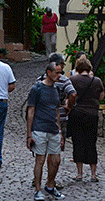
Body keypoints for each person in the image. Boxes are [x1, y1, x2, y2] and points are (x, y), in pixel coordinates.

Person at [27, 62, 66, 201]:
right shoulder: (37, 88)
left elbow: (57, 111)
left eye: (60, 72)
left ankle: (50, 185)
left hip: (53, 130)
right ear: (49, 72)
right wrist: (29, 134)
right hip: (39, 129)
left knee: (56, 160)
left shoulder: (56, 90)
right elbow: (30, 111)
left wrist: (60, 131)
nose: (59, 75)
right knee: (40, 160)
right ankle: (38, 189)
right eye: (57, 72)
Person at [68, 56, 104, 182]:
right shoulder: (97, 81)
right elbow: (101, 97)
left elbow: (69, 95)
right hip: (92, 114)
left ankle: (79, 173)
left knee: (77, 142)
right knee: (91, 143)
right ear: (89, 68)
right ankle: (93, 174)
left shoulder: (72, 79)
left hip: (77, 113)